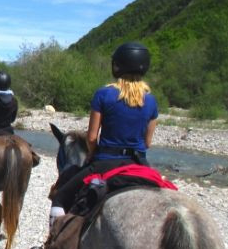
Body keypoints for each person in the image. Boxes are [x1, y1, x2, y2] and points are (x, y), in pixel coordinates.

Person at [47, 42, 158, 226]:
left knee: (59, 197)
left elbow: (91, 137)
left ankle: (52, 245)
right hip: (140, 163)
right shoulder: (151, 101)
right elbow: (147, 143)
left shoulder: (104, 94)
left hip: (105, 162)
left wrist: (91, 153)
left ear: (117, 66)